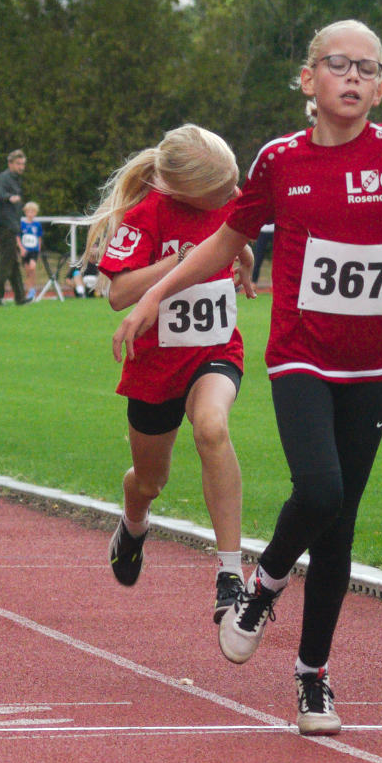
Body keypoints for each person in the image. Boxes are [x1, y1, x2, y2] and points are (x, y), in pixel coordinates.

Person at [113, 20, 382, 736]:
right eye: (338, 64)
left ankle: (312, 675)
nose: (353, 77)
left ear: (381, 87)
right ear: (309, 79)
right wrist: (152, 296)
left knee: (338, 527)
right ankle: (265, 586)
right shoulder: (279, 160)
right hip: (300, 356)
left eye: (368, 68)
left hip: (374, 362)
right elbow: (224, 243)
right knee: (320, 490)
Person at [86, 124, 257, 625]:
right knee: (150, 480)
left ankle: (231, 574)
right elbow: (119, 294)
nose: (233, 193)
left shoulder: (228, 197)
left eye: (234, 182)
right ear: (186, 192)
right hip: (156, 366)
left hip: (214, 351)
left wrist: (245, 261)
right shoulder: (147, 215)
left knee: (212, 428)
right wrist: (179, 261)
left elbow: (238, 236)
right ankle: (134, 522)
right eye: (221, 189)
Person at [0, 150, 30, 305]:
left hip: (11, 225)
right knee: (6, 261)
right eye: (18, 164)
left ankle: (20, 297)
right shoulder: (4, 177)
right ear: (10, 163)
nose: (21, 167)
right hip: (4, 224)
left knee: (12, 262)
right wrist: (9, 197)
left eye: (23, 164)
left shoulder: (15, 179)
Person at [20, 201, 44, 301]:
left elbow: (39, 238)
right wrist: (21, 248)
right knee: (27, 271)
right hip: (25, 251)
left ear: (35, 213)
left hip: (34, 250)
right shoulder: (21, 224)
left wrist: (38, 249)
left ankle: (32, 290)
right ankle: (29, 290)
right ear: (25, 212)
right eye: (29, 211)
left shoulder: (37, 225)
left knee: (32, 268)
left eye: (33, 212)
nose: (30, 214)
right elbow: (18, 237)